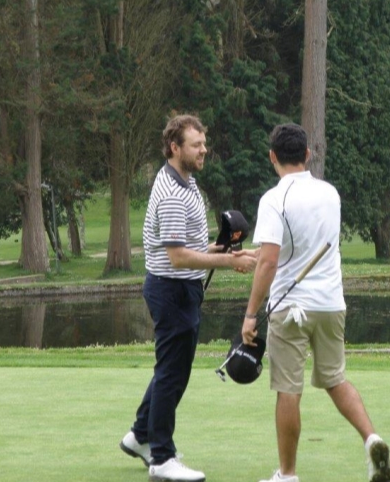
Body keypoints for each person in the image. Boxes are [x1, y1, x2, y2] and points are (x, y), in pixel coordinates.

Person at [241, 123, 390, 482]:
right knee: (335, 379)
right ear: (307, 155)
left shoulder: (273, 199)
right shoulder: (330, 193)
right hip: (330, 302)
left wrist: (250, 314)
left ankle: (288, 474)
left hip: (290, 307)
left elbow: (269, 261)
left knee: (288, 389)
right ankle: (372, 439)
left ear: (272, 157)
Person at [119, 114, 256, 482]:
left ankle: (139, 436)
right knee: (172, 373)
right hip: (172, 290)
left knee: (171, 369)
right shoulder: (172, 194)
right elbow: (178, 256)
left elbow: (190, 247)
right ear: (174, 148)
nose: (204, 150)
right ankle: (162, 458)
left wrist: (227, 251)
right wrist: (228, 261)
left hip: (179, 289)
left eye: (203, 143)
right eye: (196, 145)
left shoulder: (186, 182)